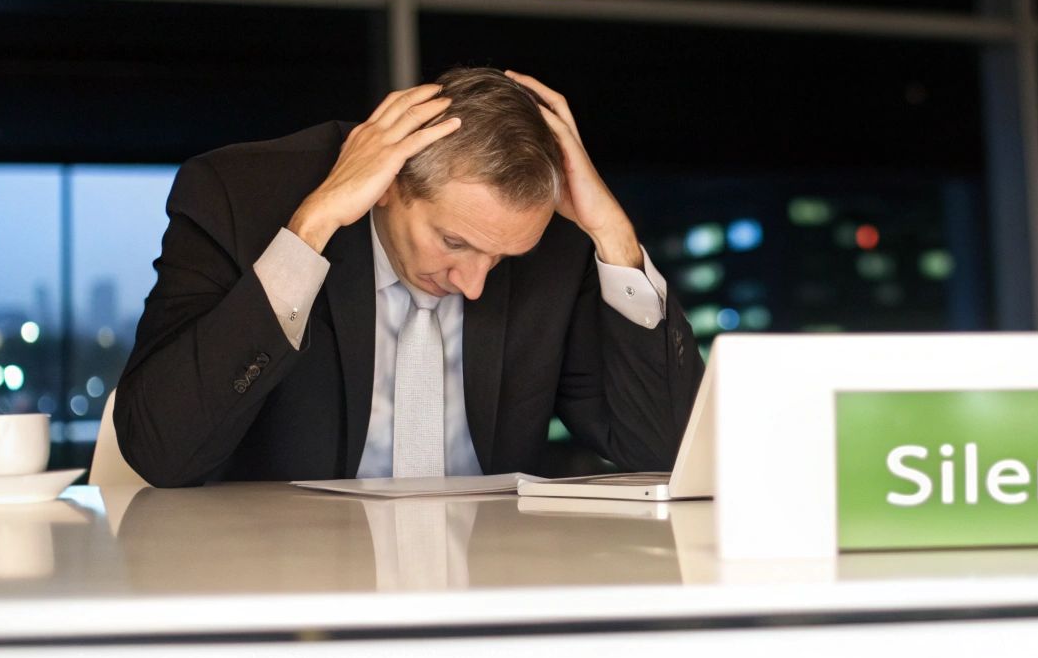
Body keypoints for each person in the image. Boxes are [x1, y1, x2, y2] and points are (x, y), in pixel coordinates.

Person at [114, 67, 703, 487]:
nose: (475, 284)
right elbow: (163, 455)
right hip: (289, 589)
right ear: (389, 182)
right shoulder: (236, 197)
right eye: (454, 242)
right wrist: (309, 231)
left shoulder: (550, 239)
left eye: (501, 259)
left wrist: (616, 241)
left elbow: (664, 453)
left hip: (494, 583)